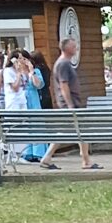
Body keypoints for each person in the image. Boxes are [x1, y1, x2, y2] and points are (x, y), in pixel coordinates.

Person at [41, 38, 97, 170]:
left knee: (72, 131)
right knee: (81, 131)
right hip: (70, 104)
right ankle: (86, 161)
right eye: (73, 46)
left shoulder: (64, 63)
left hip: (70, 103)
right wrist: (70, 105)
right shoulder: (63, 64)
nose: (76, 48)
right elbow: (63, 85)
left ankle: (47, 158)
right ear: (66, 48)